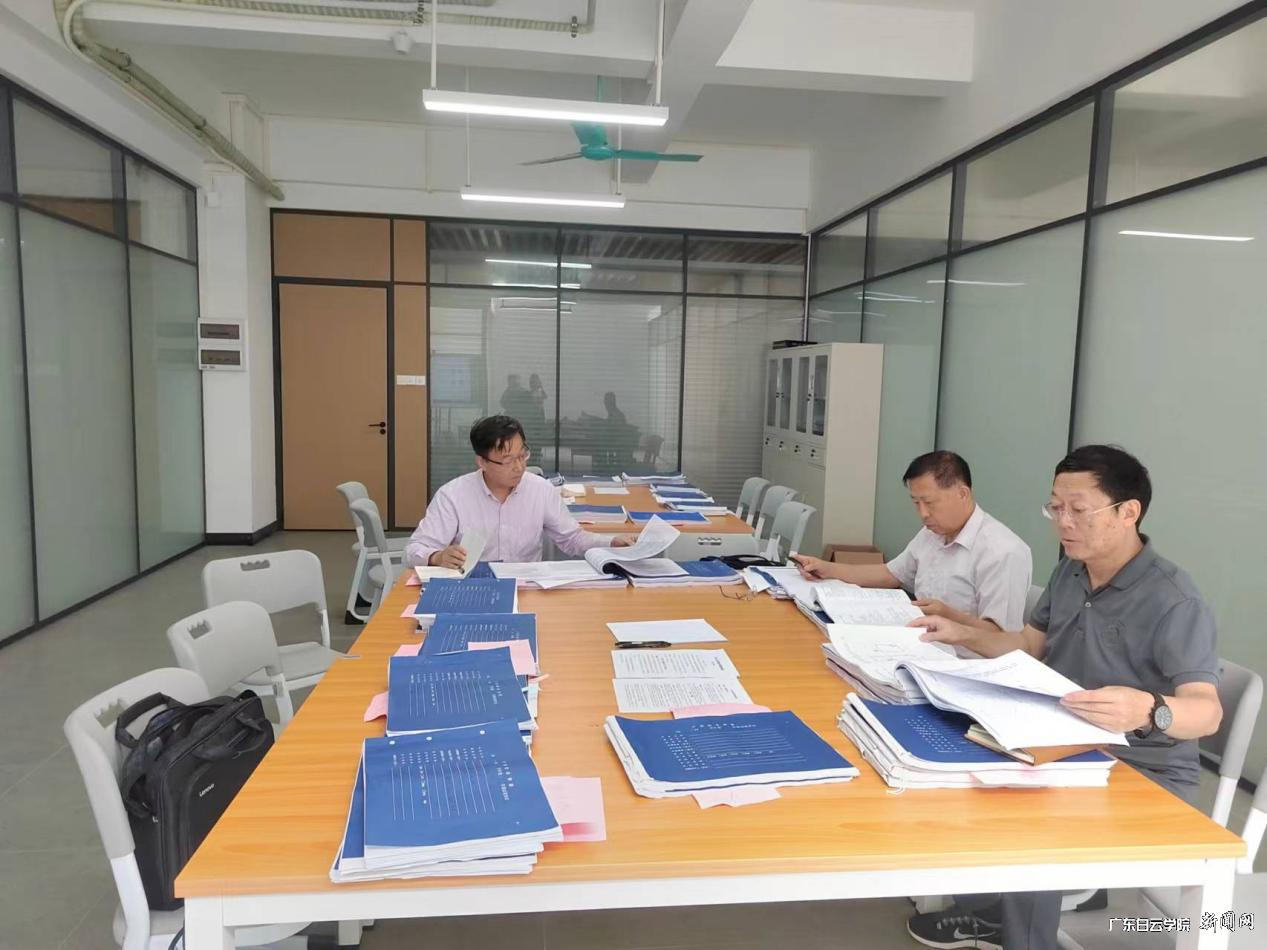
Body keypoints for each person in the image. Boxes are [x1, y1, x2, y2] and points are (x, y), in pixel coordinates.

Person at [905, 445, 1223, 950]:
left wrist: (1149, 709)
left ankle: (1022, 936)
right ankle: (993, 912)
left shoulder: (1173, 598)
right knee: (953, 768)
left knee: (1035, 825)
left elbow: (1206, 711)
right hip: (1069, 743)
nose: (1063, 522)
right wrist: (962, 634)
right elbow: (1030, 645)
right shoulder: (1071, 571)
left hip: (1144, 770)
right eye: (1055, 507)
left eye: (1078, 510)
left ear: (1128, 512)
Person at [792, 451, 1032, 630]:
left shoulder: (1002, 551)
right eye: (916, 503)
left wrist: (947, 615)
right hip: (920, 645)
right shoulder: (933, 532)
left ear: (962, 493)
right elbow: (890, 574)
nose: (923, 514)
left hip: (965, 665)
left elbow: (1003, 638)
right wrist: (828, 569)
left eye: (929, 503)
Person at [405, 415, 634, 568]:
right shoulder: (453, 496)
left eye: (522, 456)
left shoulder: (541, 490)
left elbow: (572, 539)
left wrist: (611, 542)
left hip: (527, 588)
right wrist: (437, 557)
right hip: (473, 587)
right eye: (508, 460)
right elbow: (414, 550)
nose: (519, 467)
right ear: (482, 462)